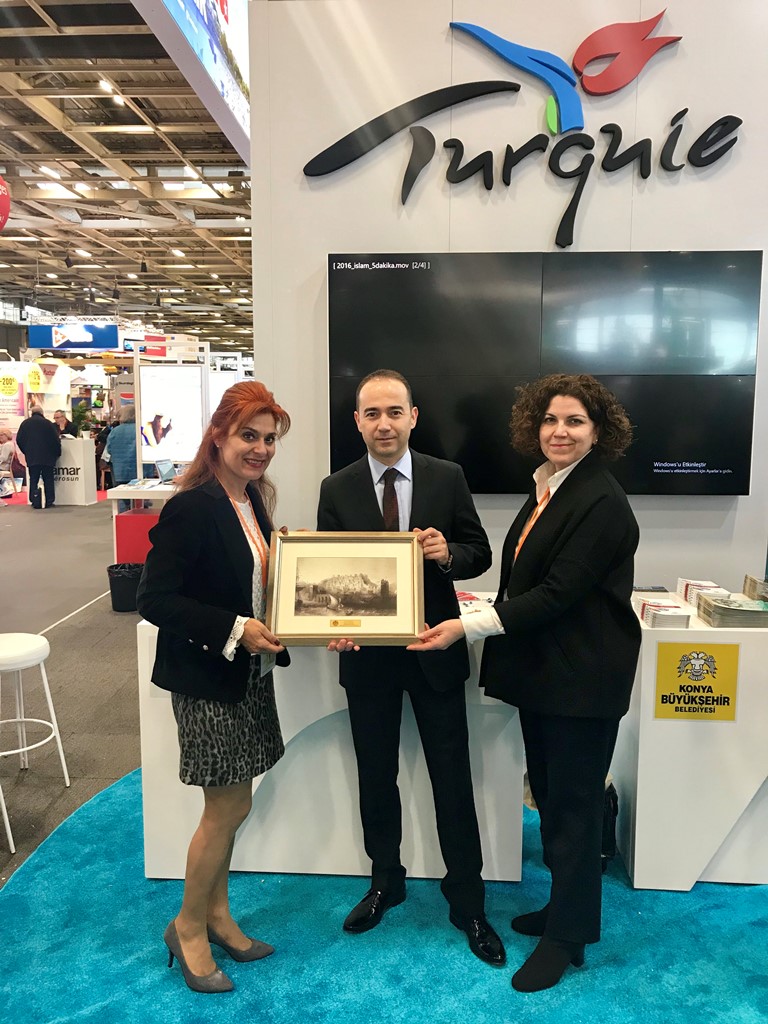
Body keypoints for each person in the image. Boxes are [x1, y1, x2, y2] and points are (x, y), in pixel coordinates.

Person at [410, 373, 641, 993]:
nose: (559, 432)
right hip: (550, 677)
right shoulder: (550, 486)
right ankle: (564, 911)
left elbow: (559, 592)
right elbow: (526, 581)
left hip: (582, 680)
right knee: (553, 800)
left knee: (573, 811)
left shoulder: (600, 499)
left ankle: (568, 938)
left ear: (599, 431)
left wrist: (466, 626)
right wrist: (482, 610)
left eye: (575, 422)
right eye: (550, 420)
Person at [317, 369, 505, 967]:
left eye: (394, 412)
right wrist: (332, 623)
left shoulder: (447, 477)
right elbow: (325, 572)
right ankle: (385, 882)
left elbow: (480, 552)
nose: (384, 424)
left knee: (452, 780)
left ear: (413, 417)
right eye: (372, 413)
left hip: (435, 651)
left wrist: (448, 554)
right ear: (357, 421)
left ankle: (468, 901)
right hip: (367, 660)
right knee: (376, 776)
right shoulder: (336, 487)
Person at [136, 380, 291, 994]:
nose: (260, 449)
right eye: (249, 435)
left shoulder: (251, 500)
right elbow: (154, 599)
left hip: (247, 676)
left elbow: (253, 586)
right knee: (226, 808)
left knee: (235, 806)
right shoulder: (192, 507)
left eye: (269, 439)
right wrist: (235, 628)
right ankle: (187, 927)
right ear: (219, 434)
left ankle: (218, 916)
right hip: (207, 679)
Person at [15, 404, 61, 509]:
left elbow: (19, 440)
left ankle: (34, 500)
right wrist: (57, 453)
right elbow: (55, 440)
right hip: (47, 457)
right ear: (42, 413)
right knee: (48, 479)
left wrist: (26, 451)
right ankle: (49, 501)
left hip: (32, 457)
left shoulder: (25, 424)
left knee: (33, 479)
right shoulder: (48, 423)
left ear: (32, 413)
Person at [103, 406, 138, 512]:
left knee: (121, 495)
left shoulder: (115, 431)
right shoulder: (140, 429)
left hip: (119, 468)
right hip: (138, 468)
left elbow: (109, 449)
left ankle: (122, 515)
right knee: (139, 496)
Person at [0, 428, 15, 499]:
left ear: (7, 435)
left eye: (2, 435)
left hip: (3, 466)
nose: (0, 437)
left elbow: (3, 458)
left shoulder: (7, 445)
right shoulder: (10, 444)